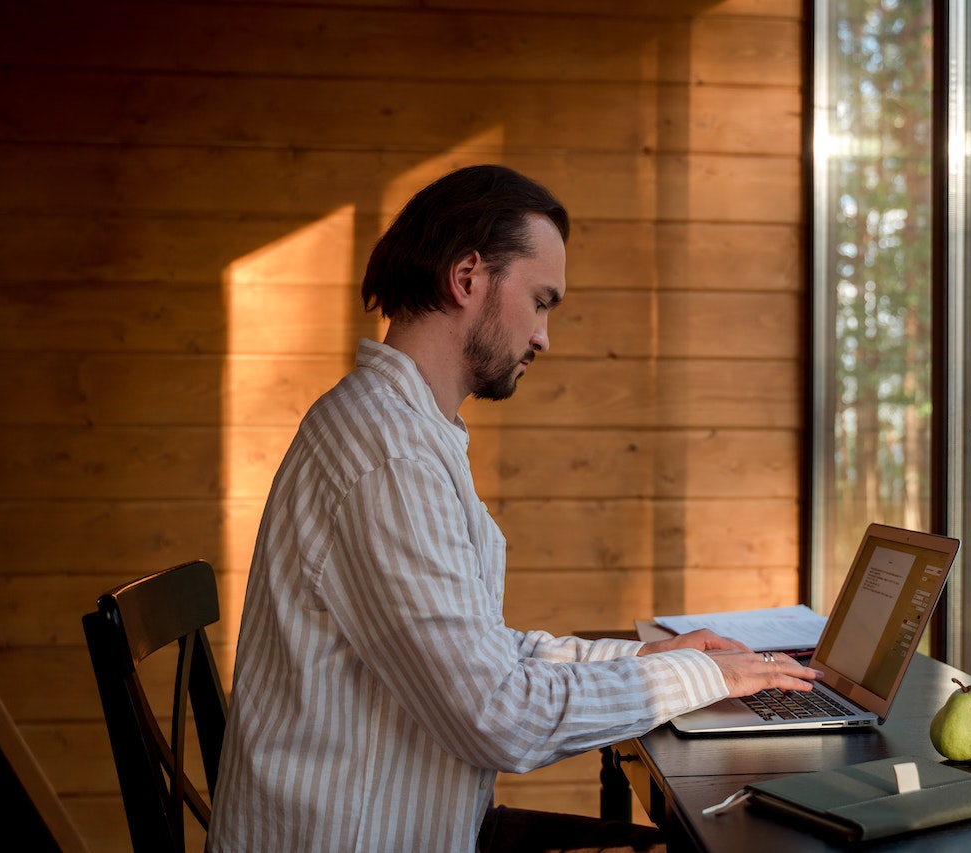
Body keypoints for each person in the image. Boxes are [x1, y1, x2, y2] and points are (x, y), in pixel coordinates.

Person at [207, 164, 820, 853]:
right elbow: (498, 716)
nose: (543, 337)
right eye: (540, 301)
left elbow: (489, 659)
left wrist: (652, 656)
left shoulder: (402, 429)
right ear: (467, 277)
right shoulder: (388, 456)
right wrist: (703, 676)